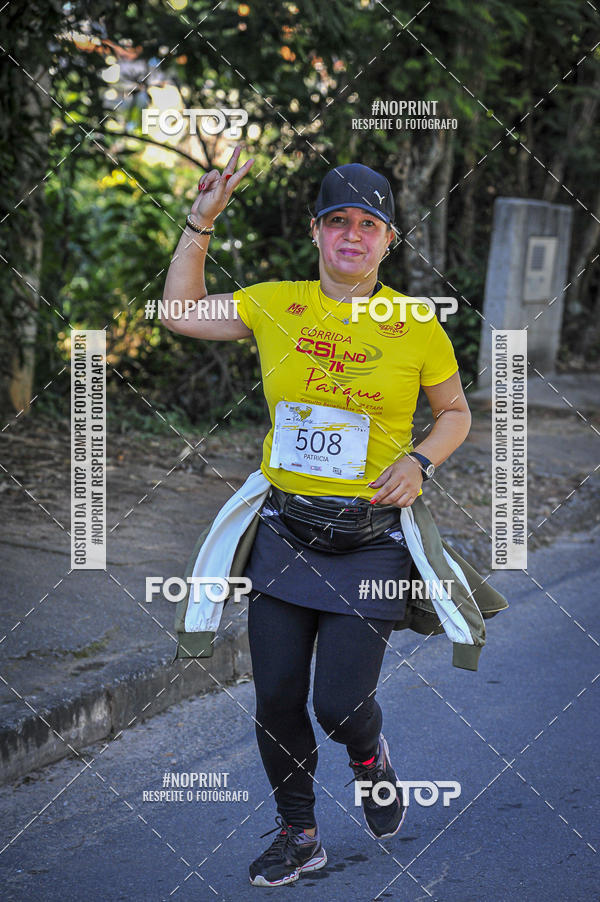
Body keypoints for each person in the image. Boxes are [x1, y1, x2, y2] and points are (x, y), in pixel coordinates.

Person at [161, 145, 472, 888]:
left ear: (389, 239)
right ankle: (300, 835)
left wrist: (420, 461)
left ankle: (372, 758)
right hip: (285, 534)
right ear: (317, 233)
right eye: (338, 222)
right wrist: (199, 222)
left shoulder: (416, 324)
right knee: (275, 698)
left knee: (338, 702)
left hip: (371, 545)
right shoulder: (276, 303)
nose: (353, 235)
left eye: (369, 224)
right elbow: (177, 313)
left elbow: (455, 413)